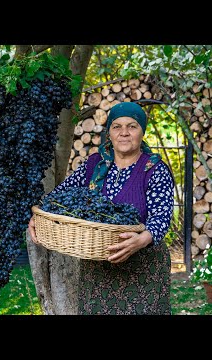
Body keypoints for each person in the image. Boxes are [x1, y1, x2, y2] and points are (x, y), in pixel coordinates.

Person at [28, 101, 174, 315]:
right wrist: (39, 217)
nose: (124, 133)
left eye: (132, 126)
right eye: (117, 126)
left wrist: (142, 239)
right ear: (109, 133)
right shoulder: (94, 164)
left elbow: (160, 217)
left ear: (142, 132)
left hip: (142, 269)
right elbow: (57, 198)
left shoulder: (154, 169)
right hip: (98, 270)